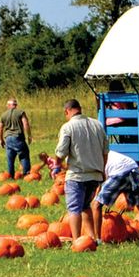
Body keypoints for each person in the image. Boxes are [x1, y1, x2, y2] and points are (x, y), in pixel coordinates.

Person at [50, 99, 108, 242]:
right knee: (85, 207)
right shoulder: (97, 124)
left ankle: (76, 240)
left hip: (77, 175)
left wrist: (56, 164)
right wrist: (102, 170)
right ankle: (92, 238)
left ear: (67, 112)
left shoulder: (68, 127)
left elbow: (61, 152)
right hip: (95, 175)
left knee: (74, 208)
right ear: (80, 109)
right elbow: (105, 151)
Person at [94, 147, 139, 220]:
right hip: (134, 168)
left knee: (96, 205)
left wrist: (96, 197)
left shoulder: (91, 158)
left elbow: (99, 180)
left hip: (119, 171)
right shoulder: (100, 151)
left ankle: (95, 231)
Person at [0, 97, 32, 178]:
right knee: (24, 156)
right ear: (15, 105)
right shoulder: (20, 112)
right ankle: (26, 175)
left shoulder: (3, 115)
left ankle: (10, 176)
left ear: (9, 105)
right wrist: (29, 135)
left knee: (10, 159)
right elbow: (25, 124)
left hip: (8, 138)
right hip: (18, 137)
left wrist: (1, 139)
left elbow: (0, 127)